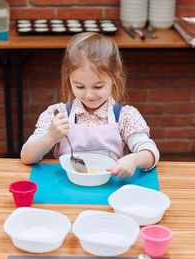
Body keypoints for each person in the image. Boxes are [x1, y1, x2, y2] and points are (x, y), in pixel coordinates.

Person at [21, 32, 159, 178]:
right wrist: (50, 136)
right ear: (69, 78)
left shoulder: (126, 116)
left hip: (110, 187)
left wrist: (135, 159)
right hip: (69, 188)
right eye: (80, 86)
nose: (89, 95)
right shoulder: (58, 114)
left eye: (98, 86)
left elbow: (151, 152)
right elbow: (26, 157)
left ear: (114, 77)